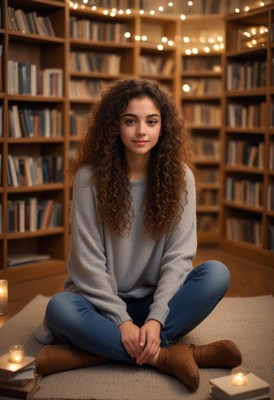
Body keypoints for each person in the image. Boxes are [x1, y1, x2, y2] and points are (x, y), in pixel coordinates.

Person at [34, 78, 242, 391]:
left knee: (216, 273)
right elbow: (86, 264)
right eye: (130, 121)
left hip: (155, 300)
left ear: (163, 127)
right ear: (114, 126)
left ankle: (93, 353)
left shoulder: (180, 177)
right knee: (59, 308)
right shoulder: (89, 179)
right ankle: (171, 356)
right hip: (98, 304)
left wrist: (156, 319)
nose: (141, 131)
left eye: (151, 121)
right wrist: (122, 321)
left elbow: (179, 256)